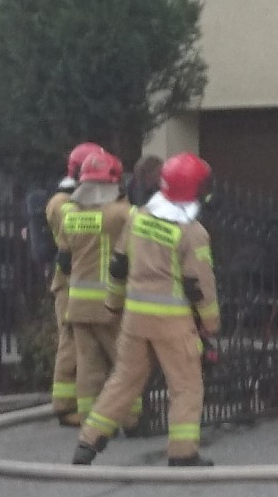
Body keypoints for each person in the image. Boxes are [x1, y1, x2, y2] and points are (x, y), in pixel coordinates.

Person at [73, 152, 222, 469]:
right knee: (186, 387)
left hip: (135, 320)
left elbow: (118, 265)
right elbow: (201, 285)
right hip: (174, 324)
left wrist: (113, 304)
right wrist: (210, 324)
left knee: (124, 380)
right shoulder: (193, 232)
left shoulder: (138, 218)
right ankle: (183, 452)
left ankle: (88, 441)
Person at [50, 147, 133, 429]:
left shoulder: (70, 214)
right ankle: (130, 417)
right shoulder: (120, 215)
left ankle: (89, 417)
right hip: (108, 302)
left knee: (87, 364)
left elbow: (63, 258)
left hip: (77, 301)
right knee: (124, 361)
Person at [43, 142, 105, 424]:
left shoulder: (79, 199)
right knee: (70, 343)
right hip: (69, 285)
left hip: (83, 282)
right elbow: (80, 225)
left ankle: (83, 403)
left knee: (85, 347)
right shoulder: (61, 202)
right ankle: (65, 405)